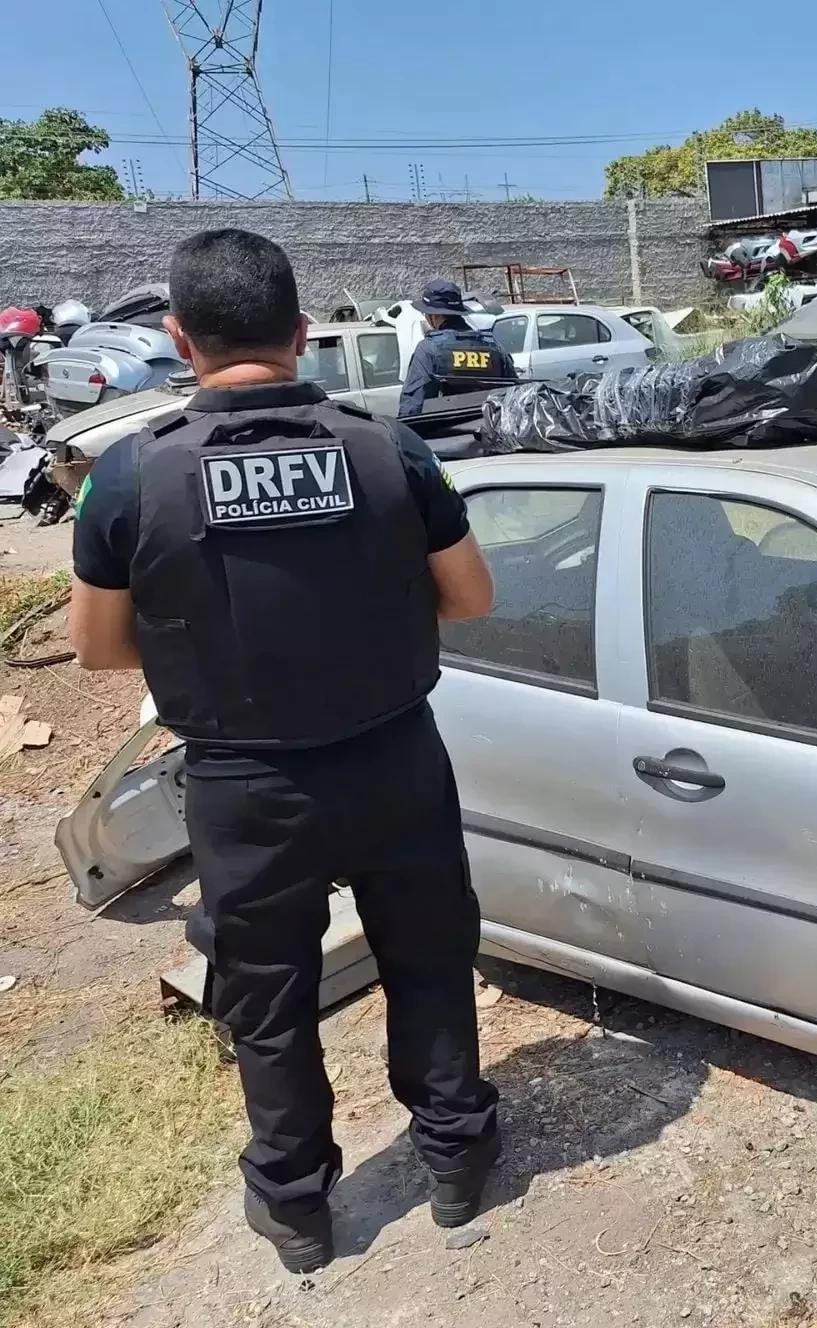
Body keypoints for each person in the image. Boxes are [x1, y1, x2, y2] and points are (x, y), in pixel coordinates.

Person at [68, 229, 501, 1275]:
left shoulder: (129, 474)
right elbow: (473, 598)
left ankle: (298, 1208)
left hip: (241, 781)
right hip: (394, 754)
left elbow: (95, 649)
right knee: (429, 963)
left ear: (178, 339)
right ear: (302, 332)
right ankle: (453, 1161)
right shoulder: (390, 447)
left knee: (265, 996)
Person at [397, 277, 517, 419]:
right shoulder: (494, 348)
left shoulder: (428, 350)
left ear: (434, 315)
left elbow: (412, 408)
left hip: (450, 437)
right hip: (491, 433)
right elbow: (514, 399)